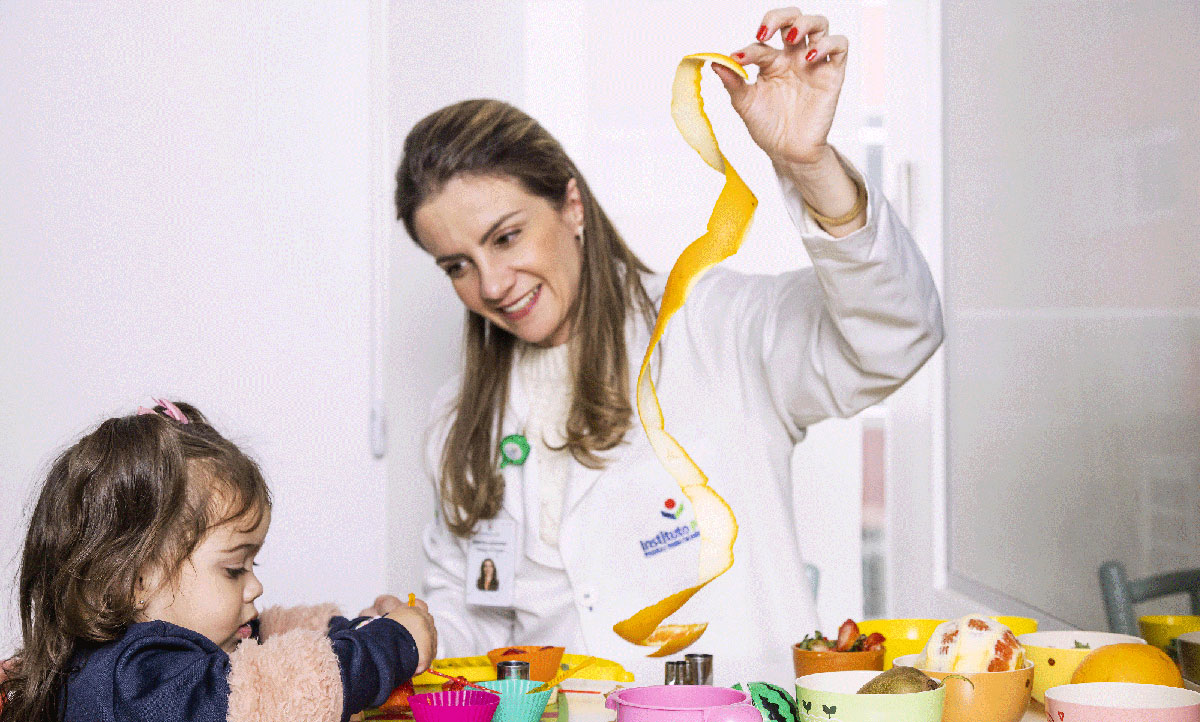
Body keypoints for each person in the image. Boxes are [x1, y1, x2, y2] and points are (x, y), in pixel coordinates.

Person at [394, 7, 943, 682]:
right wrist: (407, 634)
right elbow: (477, 624)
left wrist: (811, 167)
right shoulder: (461, 417)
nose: (492, 283)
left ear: (571, 205)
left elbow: (896, 337)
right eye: (456, 265)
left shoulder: (710, 328)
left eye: (506, 236)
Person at [0, 400, 437, 722]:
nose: (255, 588)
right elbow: (276, 693)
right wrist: (392, 644)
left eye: (253, 567)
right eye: (234, 569)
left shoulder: (160, 658)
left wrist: (358, 630)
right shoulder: (135, 683)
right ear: (133, 579)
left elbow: (266, 646)